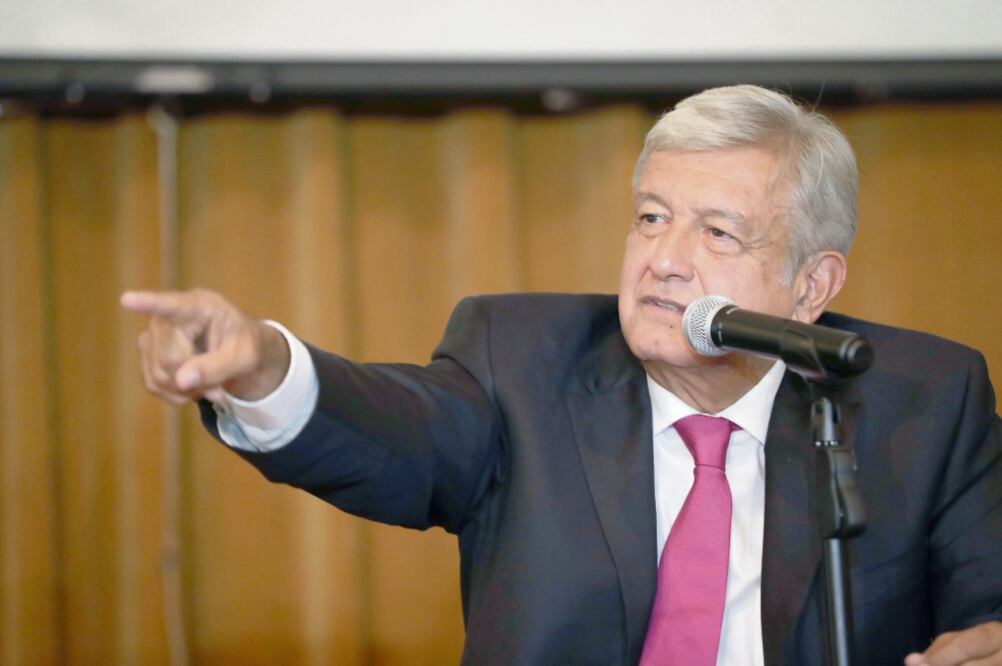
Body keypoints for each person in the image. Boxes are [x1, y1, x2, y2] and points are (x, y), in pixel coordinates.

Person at [122, 85, 1002, 665]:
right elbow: (394, 427)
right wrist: (266, 366)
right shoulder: (523, 358)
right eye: (651, 217)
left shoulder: (922, 398)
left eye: (717, 234)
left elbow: (986, 605)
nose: (663, 260)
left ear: (814, 286)